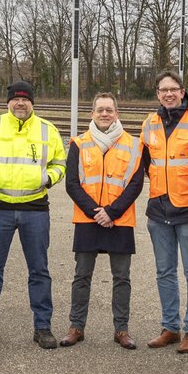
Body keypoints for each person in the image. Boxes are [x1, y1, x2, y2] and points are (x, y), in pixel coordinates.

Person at [0, 80, 67, 349]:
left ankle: (43, 326)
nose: (20, 103)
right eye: (15, 99)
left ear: (32, 102)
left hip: (35, 209)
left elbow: (60, 163)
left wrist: (47, 179)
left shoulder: (47, 130)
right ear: (8, 102)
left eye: (25, 99)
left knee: (39, 270)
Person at [141, 70, 188, 353]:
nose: (169, 94)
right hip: (159, 208)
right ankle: (170, 327)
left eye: (173, 89)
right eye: (164, 90)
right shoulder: (150, 123)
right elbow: (147, 163)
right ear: (158, 94)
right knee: (164, 272)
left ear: (183, 92)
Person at [63, 92, 144, 349]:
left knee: (122, 278)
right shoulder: (79, 143)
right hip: (88, 220)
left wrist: (111, 212)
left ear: (117, 113)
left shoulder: (134, 145)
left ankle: (122, 330)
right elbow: (72, 183)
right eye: (100, 110)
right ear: (92, 114)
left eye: (109, 110)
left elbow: (136, 185)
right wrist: (96, 212)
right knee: (81, 275)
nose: (105, 114)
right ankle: (76, 326)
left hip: (119, 220)